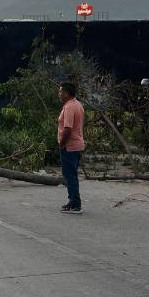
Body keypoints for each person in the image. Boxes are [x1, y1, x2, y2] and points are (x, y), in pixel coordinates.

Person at [57, 81, 85, 213]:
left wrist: (62, 143)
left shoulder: (69, 107)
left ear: (67, 93)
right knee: (71, 174)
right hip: (77, 144)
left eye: (61, 91)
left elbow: (67, 129)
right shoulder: (77, 104)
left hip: (69, 146)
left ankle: (75, 204)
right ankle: (73, 201)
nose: (59, 93)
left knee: (70, 175)